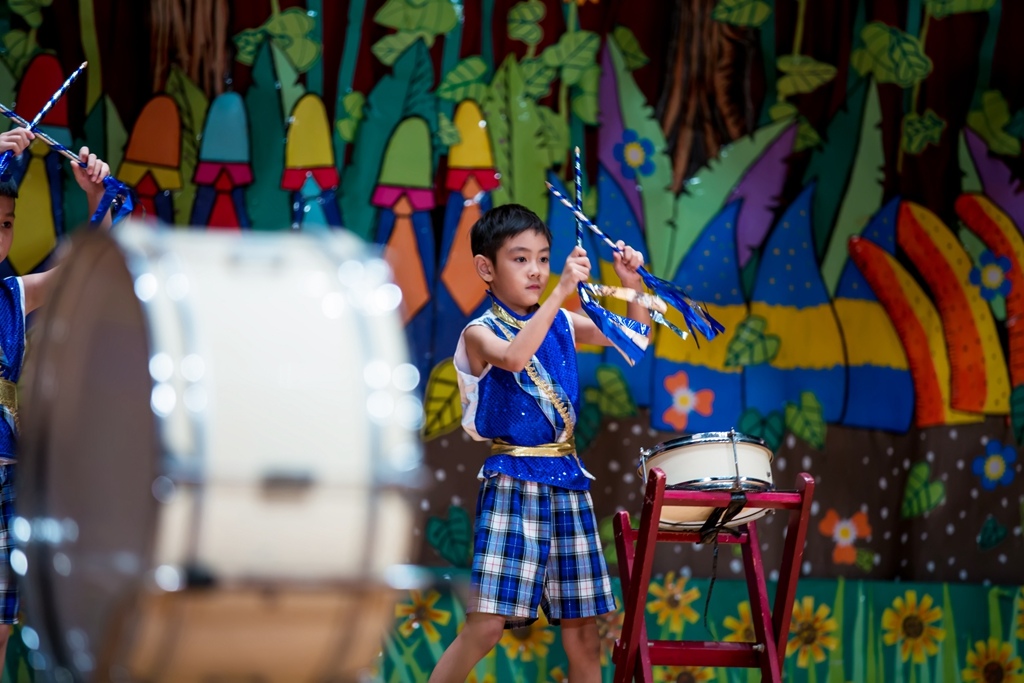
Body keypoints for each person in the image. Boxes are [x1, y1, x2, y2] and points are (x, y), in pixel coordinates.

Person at [429, 203, 651, 683]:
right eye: (520, 258)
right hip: (513, 481)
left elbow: (634, 341)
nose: (535, 270)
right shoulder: (479, 332)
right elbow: (513, 357)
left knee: (584, 637)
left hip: (568, 482)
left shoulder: (562, 323)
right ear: (486, 268)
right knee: (487, 627)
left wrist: (631, 285)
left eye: (543, 258)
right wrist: (562, 291)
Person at [0, 126, 112, 668]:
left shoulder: (12, 296)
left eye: (6, 223)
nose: (0, 234)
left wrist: (97, 198)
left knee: (0, 632)